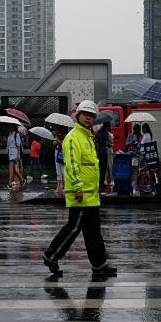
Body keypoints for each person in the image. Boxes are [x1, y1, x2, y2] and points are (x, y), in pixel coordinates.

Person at [42, 101, 116, 276]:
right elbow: (72, 166)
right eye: (85, 114)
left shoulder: (88, 137)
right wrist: (77, 188)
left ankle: (99, 264)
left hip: (91, 195)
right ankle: (51, 255)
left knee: (93, 230)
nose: (88, 118)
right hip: (81, 194)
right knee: (73, 228)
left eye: (91, 116)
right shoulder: (73, 137)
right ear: (78, 116)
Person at [5, 124, 24, 190]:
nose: (9, 127)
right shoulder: (9, 135)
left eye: (9, 126)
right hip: (10, 153)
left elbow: (18, 145)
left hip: (14, 153)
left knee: (10, 167)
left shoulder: (16, 135)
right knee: (13, 169)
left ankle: (9, 184)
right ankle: (22, 179)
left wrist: (18, 154)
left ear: (13, 127)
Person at [96, 123, 111, 189]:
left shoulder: (98, 132)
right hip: (103, 152)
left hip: (98, 152)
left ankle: (98, 182)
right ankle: (101, 183)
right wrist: (110, 145)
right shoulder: (105, 133)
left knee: (99, 168)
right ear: (106, 125)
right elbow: (107, 143)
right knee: (103, 168)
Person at [54, 128, 65, 193]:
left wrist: (59, 141)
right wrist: (56, 140)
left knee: (63, 172)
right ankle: (58, 187)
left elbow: (63, 145)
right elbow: (54, 143)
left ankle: (64, 187)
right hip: (57, 156)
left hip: (63, 156)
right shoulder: (56, 137)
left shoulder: (66, 137)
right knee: (58, 172)